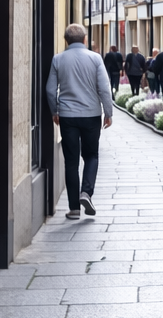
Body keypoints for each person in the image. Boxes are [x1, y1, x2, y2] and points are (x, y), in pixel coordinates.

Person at [45, 23, 114, 219]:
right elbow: (104, 88)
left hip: (67, 116)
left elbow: (51, 90)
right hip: (91, 115)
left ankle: (74, 208)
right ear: (85, 39)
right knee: (91, 155)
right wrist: (108, 112)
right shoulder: (95, 58)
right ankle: (86, 192)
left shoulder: (58, 59)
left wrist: (54, 111)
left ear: (66, 41)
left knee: (71, 161)